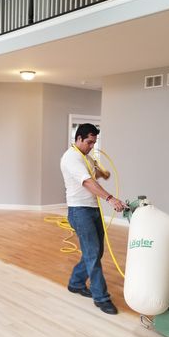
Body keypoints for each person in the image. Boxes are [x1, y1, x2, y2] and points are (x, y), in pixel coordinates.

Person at [60, 123, 126, 315]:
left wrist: (102, 173)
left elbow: (93, 175)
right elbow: (87, 182)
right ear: (79, 138)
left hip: (92, 209)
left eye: (94, 143)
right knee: (92, 254)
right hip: (80, 211)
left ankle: (76, 283)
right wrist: (110, 198)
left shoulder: (86, 157)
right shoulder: (71, 158)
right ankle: (101, 298)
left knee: (96, 252)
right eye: (89, 142)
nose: (91, 146)